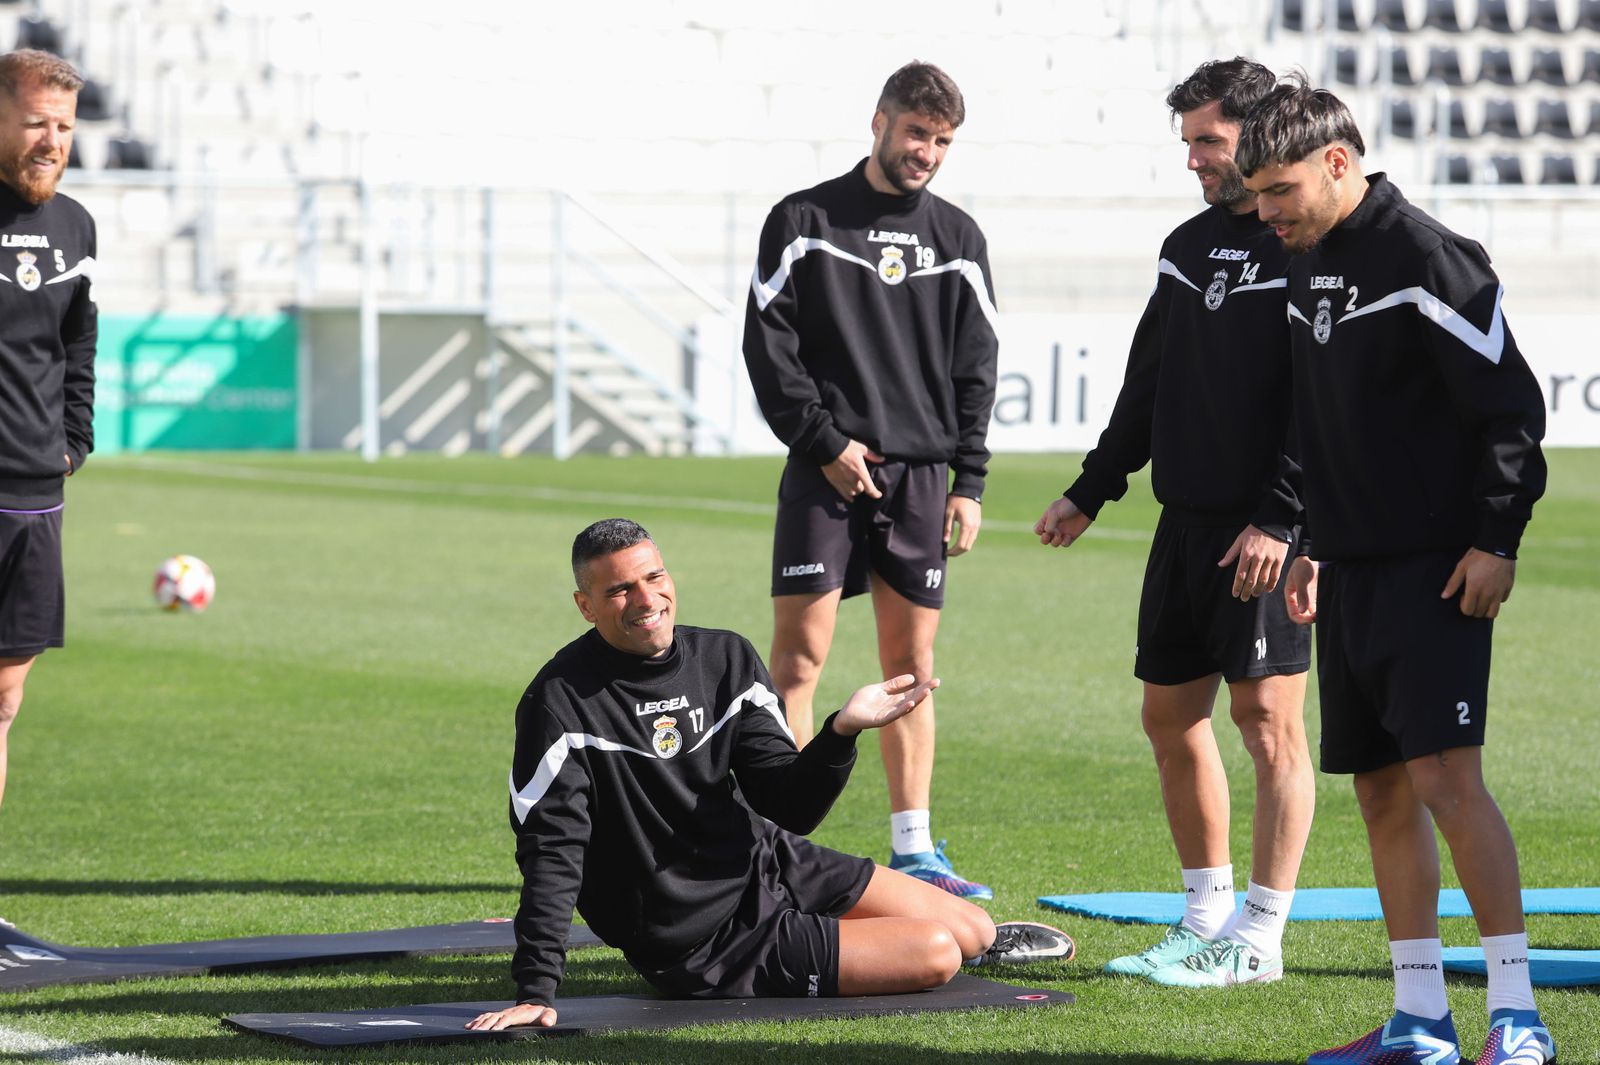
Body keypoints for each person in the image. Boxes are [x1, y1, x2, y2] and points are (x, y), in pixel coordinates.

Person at [1237, 79, 1553, 1065]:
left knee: (1446, 780)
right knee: (1378, 792)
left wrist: (1495, 541)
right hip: (1352, 570)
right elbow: (1323, 421)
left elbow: (1513, 407)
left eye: (1279, 190)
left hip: (1439, 568)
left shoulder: (1426, 258)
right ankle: (1418, 1019)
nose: (1265, 212)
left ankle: (1516, 1017)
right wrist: (1308, 539)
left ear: (1339, 161)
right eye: (1255, 194)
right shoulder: (1305, 261)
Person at [467, 520, 1073, 1031]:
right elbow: (552, 851)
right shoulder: (559, 703)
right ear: (586, 604)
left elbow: (788, 804)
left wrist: (841, 730)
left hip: (766, 860)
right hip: (703, 940)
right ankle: (839, 941)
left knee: (972, 927)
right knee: (938, 954)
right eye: (620, 590)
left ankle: (844, 935)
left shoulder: (725, 658)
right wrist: (535, 992)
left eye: (654, 577)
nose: (646, 601)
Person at [1033, 58, 1313, 988]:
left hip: (1267, 529)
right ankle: (1203, 918)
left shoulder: (1304, 244)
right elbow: (1146, 383)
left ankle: (1260, 936)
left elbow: (1324, 403)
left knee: (1267, 720)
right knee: (1169, 714)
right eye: (1187, 141)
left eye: (1208, 141)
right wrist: (1091, 487)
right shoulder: (1187, 245)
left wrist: (1281, 515)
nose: (1193, 158)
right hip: (1185, 522)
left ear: (1258, 134)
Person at [742, 61, 999, 899]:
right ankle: (778, 841)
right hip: (827, 473)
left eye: (943, 141)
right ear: (881, 121)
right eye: (917, 132)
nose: (927, 151)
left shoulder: (959, 239)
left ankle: (916, 845)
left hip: (923, 480)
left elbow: (976, 366)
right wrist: (823, 441)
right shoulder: (804, 219)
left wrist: (970, 481)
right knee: (798, 659)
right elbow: (767, 347)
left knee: (911, 665)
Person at [0, 49, 95, 819]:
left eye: (62, 125)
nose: (52, 139)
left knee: (3, 700)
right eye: (35, 121)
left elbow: (77, 346)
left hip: (35, 496)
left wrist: (73, 442)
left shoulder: (76, 227)